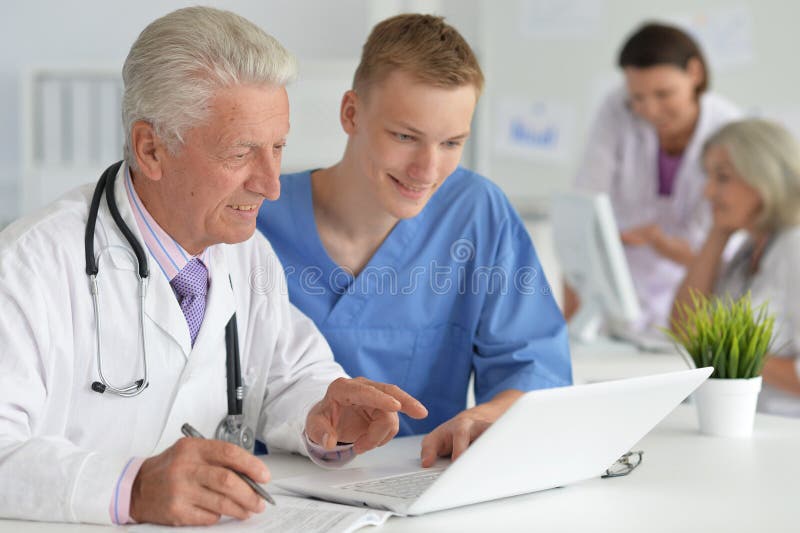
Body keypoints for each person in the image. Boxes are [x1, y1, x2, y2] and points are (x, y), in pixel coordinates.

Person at [0, 7, 428, 526]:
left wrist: (324, 414)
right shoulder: (28, 268)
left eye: (277, 148)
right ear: (151, 149)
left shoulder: (245, 254)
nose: (271, 184)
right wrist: (130, 488)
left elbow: (289, 374)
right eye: (241, 153)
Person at [257, 14, 572, 467]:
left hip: (420, 486)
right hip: (274, 494)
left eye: (451, 143)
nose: (427, 170)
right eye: (406, 136)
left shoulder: (475, 213)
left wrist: (485, 417)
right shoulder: (255, 219)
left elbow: (535, 370)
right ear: (351, 113)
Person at [569, 22, 741, 330]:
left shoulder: (728, 129)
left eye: (664, 94)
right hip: (621, 285)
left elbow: (718, 242)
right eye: (638, 96)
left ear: (695, 73)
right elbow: (585, 201)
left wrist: (660, 242)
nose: (649, 109)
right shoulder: (616, 107)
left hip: (694, 288)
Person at [672, 118, 800, 416]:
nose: (708, 192)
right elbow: (683, 328)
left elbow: (701, 342)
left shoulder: (795, 246)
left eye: (723, 177)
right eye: (708, 176)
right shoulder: (750, 248)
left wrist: (728, 353)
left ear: (764, 179)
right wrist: (716, 235)